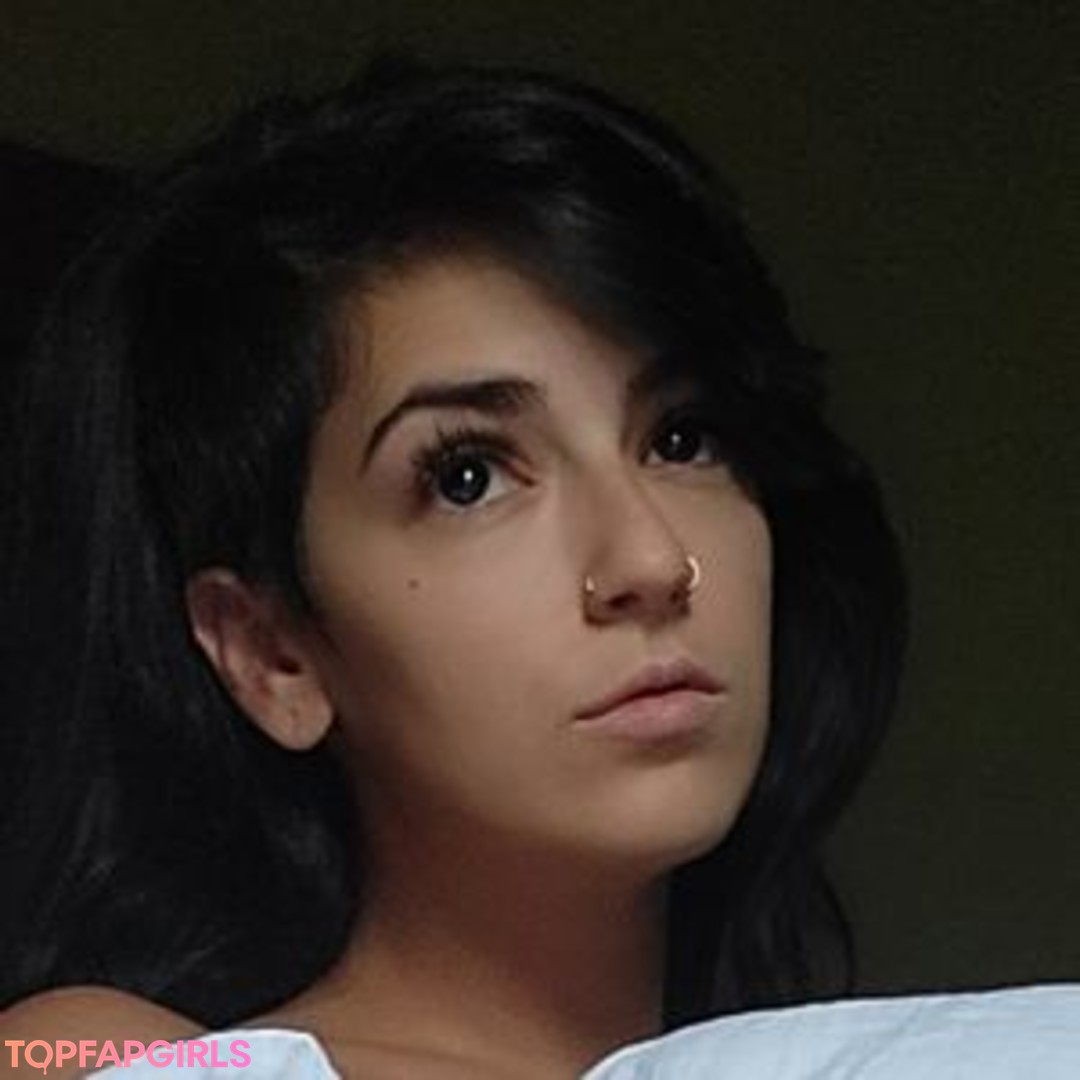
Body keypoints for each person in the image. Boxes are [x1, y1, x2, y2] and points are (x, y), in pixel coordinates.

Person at [0, 57, 907, 1077]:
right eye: (468, 476)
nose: (652, 560)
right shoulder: (107, 1058)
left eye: (683, 437)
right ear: (273, 654)